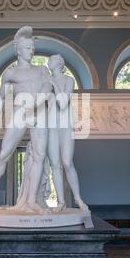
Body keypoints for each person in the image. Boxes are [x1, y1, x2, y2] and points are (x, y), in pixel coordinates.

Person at [0, 26, 53, 213]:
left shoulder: (41, 70)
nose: (31, 51)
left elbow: (48, 89)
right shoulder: (10, 73)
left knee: (40, 156)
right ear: (18, 50)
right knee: (4, 154)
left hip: (39, 113)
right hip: (19, 112)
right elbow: (1, 99)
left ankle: (32, 200)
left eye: (32, 48)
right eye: (27, 48)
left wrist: (36, 103)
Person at [47, 54, 89, 212]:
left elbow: (63, 103)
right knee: (55, 165)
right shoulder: (46, 81)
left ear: (59, 62)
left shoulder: (68, 80)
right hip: (50, 126)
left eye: (50, 60)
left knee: (67, 162)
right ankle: (61, 201)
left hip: (65, 125)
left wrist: (54, 85)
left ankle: (78, 199)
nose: (47, 62)